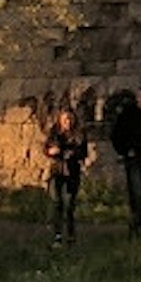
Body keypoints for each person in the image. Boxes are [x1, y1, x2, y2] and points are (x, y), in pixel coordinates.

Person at [105, 85, 141, 235]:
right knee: (136, 191)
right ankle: (135, 223)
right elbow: (117, 134)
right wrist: (125, 151)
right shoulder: (128, 113)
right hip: (133, 158)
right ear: (138, 98)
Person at [39, 95, 89, 247]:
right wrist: (53, 152)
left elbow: (83, 152)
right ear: (60, 120)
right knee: (57, 203)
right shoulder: (54, 133)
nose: (67, 122)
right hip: (57, 172)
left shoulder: (79, 135)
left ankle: (71, 235)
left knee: (69, 206)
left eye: (70, 119)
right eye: (65, 119)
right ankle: (57, 236)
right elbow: (47, 149)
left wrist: (72, 154)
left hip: (72, 172)